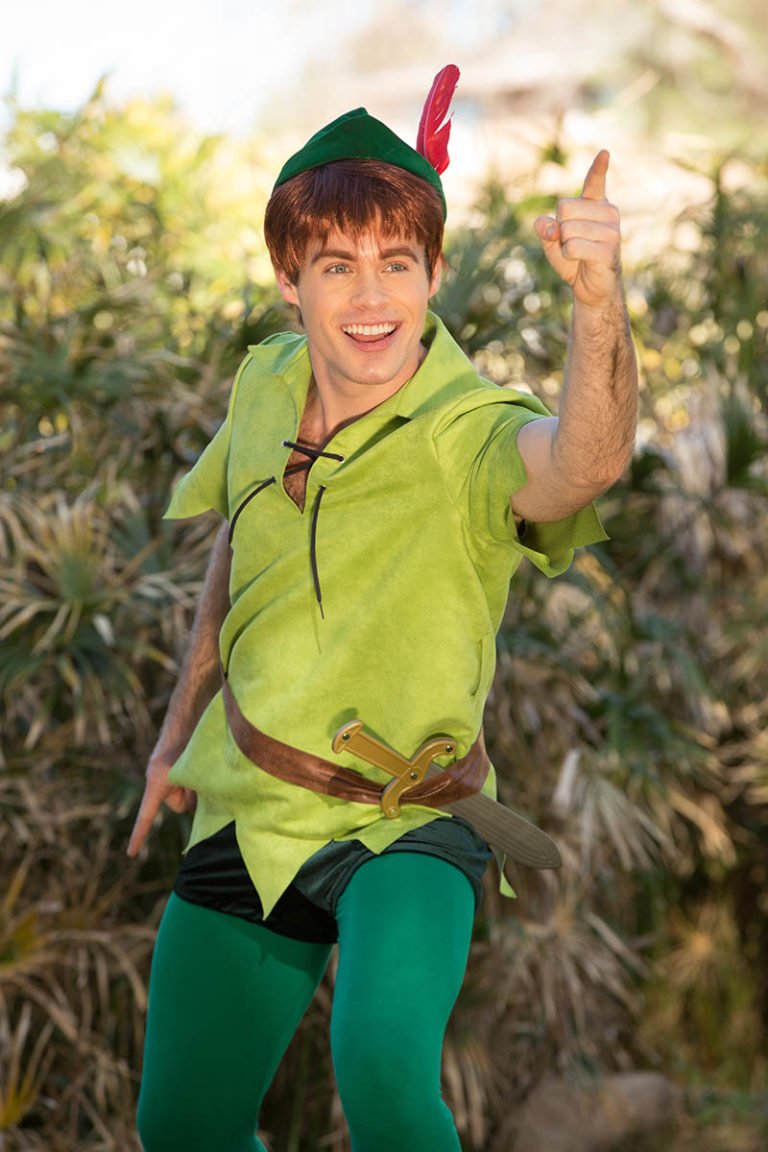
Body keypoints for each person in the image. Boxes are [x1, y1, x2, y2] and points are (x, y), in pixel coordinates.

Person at [127, 68, 637, 1152]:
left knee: (387, 1080)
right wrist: (176, 737)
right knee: (182, 1125)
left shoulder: (471, 431)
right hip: (252, 799)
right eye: (338, 265)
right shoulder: (263, 384)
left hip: (409, 819)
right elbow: (238, 548)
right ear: (289, 279)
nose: (372, 298)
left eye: (397, 263)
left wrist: (599, 309)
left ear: (433, 273)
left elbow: (581, 464)